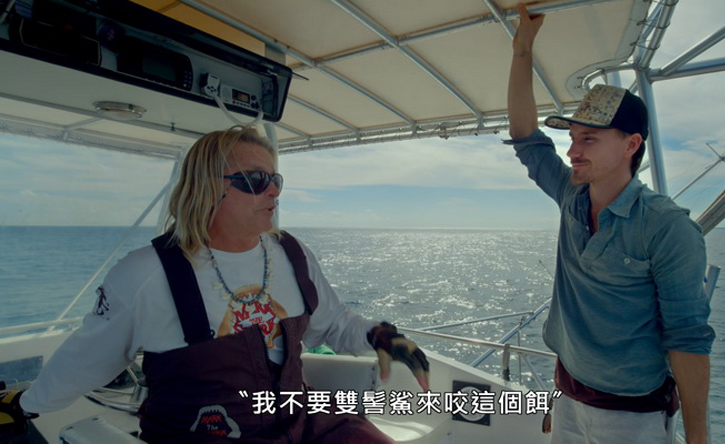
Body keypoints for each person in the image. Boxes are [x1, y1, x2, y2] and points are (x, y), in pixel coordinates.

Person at [0, 125, 429, 443]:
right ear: (206, 186)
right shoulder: (146, 273)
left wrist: (379, 335)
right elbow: (86, 360)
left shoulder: (292, 254)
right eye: (255, 180)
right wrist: (25, 404)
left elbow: (332, 323)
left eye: (275, 180)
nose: (273, 192)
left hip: (301, 421)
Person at [506, 6, 714, 444]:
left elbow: (687, 338)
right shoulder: (571, 195)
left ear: (631, 145)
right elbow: (526, 137)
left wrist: (698, 435)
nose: (572, 151)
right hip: (567, 393)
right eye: (572, 138)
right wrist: (522, 49)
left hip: (631, 416)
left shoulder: (667, 228)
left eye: (589, 139)